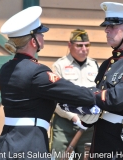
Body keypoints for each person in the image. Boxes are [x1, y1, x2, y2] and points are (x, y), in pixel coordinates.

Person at [0, 6, 96, 160]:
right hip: (30, 145)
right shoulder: (37, 72)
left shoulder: (6, 68)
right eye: (40, 33)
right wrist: (99, 94)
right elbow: (76, 94)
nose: (43, 37)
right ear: (33, 41)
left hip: (6, 143)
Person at [61, 2, 123, 160]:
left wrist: (78, 93)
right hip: (104, 139)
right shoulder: (109, 63)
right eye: (106, 26)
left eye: (113, 26)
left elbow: (116, 98)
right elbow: (100, 101)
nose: (107, 29)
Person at [49, 29, 98, 160]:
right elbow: (54, 98)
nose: (84, 49)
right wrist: (74, 118)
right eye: (79, 45)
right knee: (59, 156)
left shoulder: (94, 65)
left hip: (89, 124)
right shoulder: (59, 65)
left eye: (87, 45)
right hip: (65, 123)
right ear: (69, 45)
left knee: (88, 156)